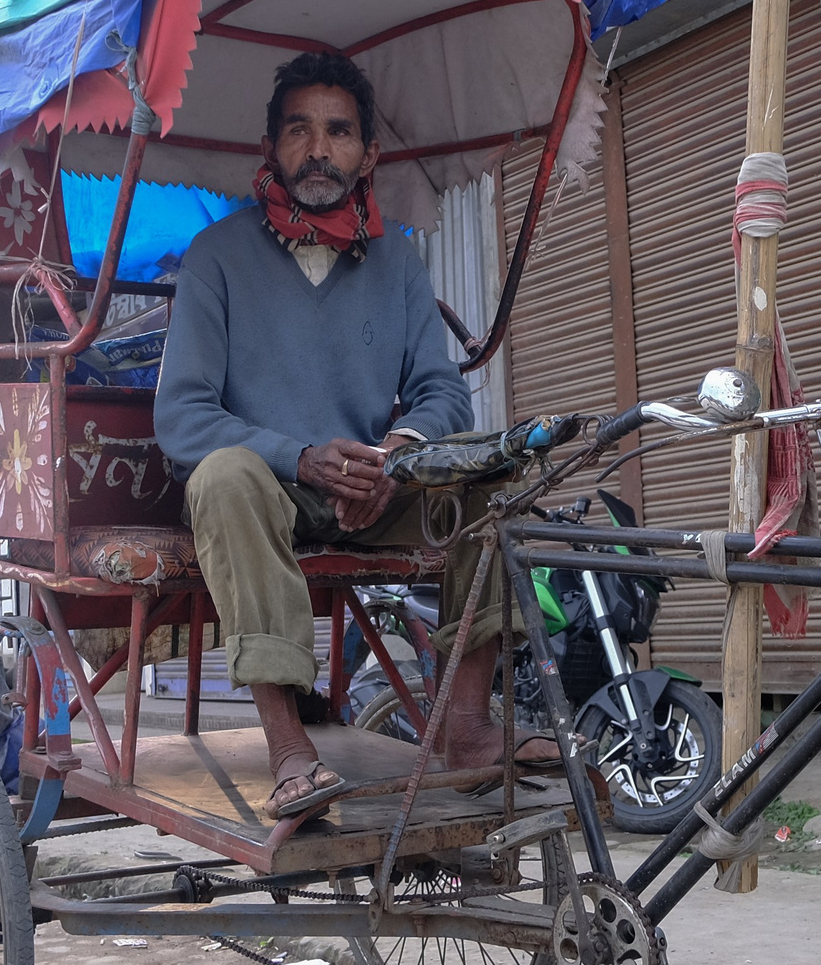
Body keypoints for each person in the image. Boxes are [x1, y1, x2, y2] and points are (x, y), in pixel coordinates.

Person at [156, 50, 548, 812]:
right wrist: (302, 460)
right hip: (265, 488)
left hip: (372, 487)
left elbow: (440, 392)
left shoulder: (398, 261)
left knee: (499, 472)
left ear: (369, 154)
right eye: (298, 130)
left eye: (338, 132)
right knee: (223, 475)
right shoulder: (217, 258)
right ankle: (289, 747)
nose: (318, 148)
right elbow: (183, 417)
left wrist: (395, 461)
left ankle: (465, 725)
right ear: (270, 147)